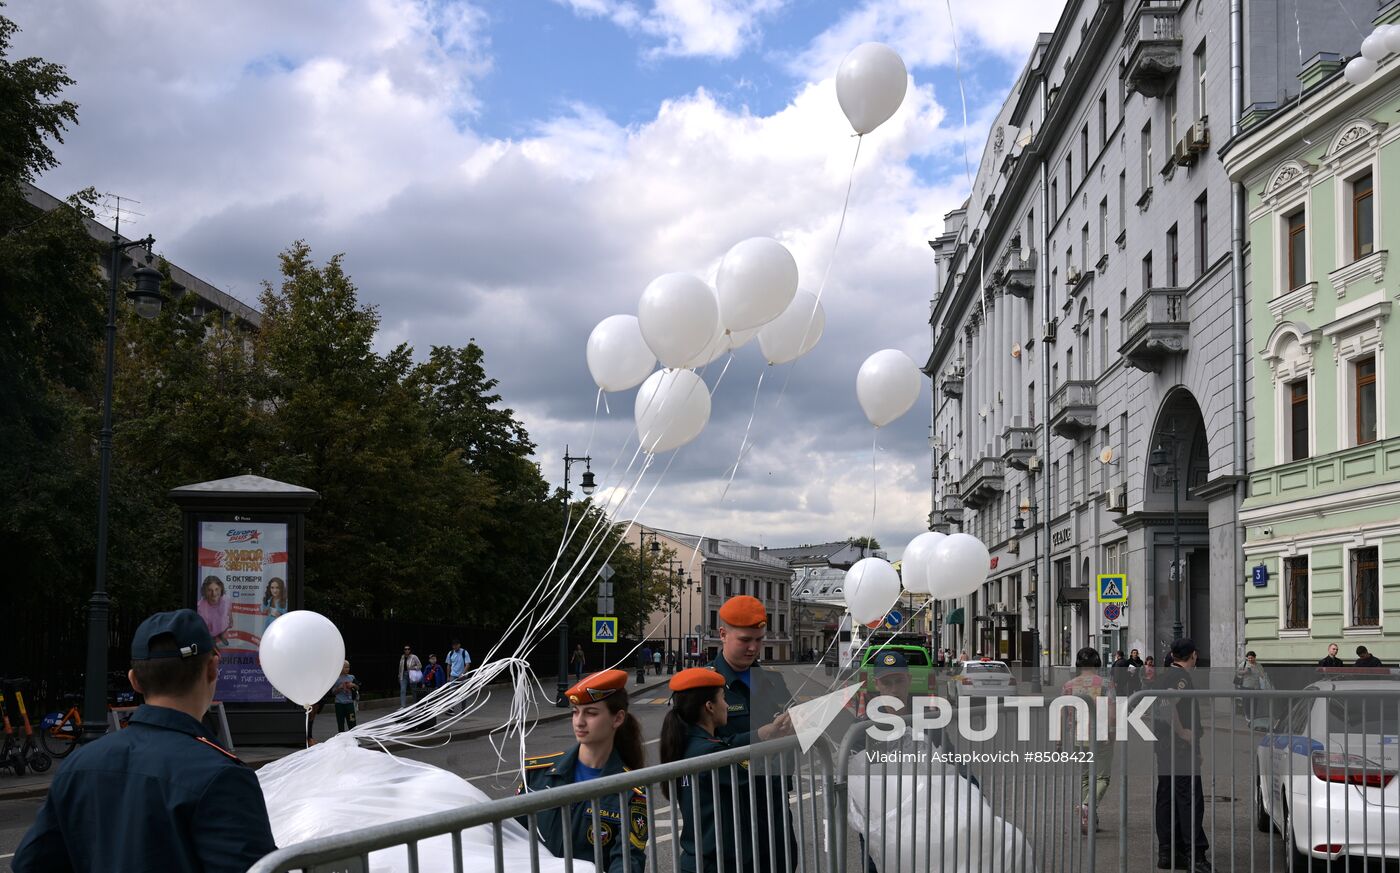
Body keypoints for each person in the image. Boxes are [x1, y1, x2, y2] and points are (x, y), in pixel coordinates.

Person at [13, 609, 277, 872]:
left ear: (134, 681)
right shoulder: (222, 776)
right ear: (212, 669)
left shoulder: (78, 765)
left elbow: (30, 864)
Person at [518, 669, 647, 873]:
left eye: (591, 713)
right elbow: (510, 841)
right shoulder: (537, 775)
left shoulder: (630, 792)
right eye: (575, 711)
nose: (579, 721)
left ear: (618, 719)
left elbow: (627, 861)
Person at [709, 594, 796, 873]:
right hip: (729, 806)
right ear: (723, 634)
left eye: (759, 640)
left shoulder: (773, 680)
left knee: (782, 863)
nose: (753, 648)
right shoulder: (704, 686)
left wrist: (800, 727)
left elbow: (793, 731)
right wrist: (761, 735)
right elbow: (701, 750)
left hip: (773, 800)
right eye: (745, 640)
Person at [660, 667, 745, 873]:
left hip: (695, 859)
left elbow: (727, 744)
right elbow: (755, 774)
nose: (727, 705)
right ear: (709, 707)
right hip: (715, 863)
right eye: (723, 699)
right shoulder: (710, 753)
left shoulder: (685, 743)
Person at [1153, 638, 1211, 872]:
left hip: (1165, 747)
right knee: (1190, 799)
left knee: (1167, 797)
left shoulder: (1165, 674)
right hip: (1180, 748)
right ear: (1193, 655)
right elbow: (1167, 704)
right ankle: (1195, 855)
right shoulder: (1180, 678)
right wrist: (1184, 733)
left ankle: (1168, 852)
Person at [1063, 647, 1116, 834]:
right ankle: (1087, 805)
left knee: (1086, 776)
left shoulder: (1069, 685)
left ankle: (1089, 821)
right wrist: (1111, 732)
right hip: (1099, 734)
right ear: (1097, 663)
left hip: (1077, 735)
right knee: (1102, 777)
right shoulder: (1106, 684)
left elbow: (1063, 712)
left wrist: (1059, 740)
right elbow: (1111, 711)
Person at [197, 576, 231, 646]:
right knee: (212, 646)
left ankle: (221, 635)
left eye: (216, 589)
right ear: (205, 591)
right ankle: (213, 643)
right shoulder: (200, 607)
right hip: (210, 631)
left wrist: (231, 621)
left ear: (221, 589)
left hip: (221, 626)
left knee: (222, 631)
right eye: (210, 590)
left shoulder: (225, 599)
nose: (214, 594)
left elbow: (228, 610)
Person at [334, 661, 358, 733]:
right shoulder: (336, 678)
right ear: (340, 668)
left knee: (352, 721)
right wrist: (340, 688)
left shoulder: (351, 677)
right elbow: (333, 692)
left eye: (348, 667)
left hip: (349, 703)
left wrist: (353, 685)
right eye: (345, 667)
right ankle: (341, 738)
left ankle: (354, 737)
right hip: (339, 704)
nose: (347, 669)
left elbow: (358, 687)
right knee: (340, 722)